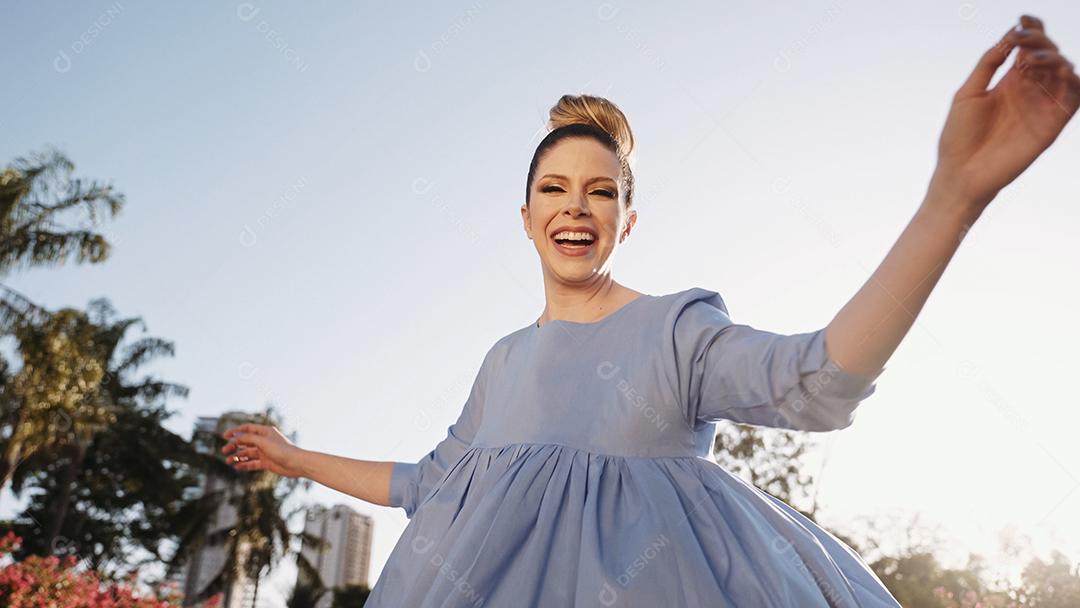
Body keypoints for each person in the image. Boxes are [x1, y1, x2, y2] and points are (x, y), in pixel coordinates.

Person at [221, 15, 1078, 607]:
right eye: (554, 188)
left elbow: (816, 381)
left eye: (602, 192)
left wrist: (951, 199)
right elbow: (424, 486)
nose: (576, 207)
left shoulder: (675, 331)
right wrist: (294, 459)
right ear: (525, 216)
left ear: (627, 221)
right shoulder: (504, 361)